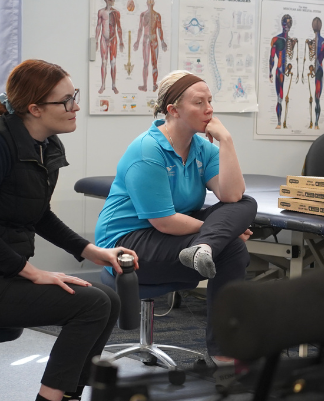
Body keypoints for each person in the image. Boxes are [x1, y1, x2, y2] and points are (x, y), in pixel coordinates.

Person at [0, 59, 138, 401]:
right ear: (35, 108)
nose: (76, 106)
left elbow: (38, 213)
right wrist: (31, 272)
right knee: (91, 304)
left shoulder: (45, 146)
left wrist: (94, 252)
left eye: (75, 96)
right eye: (67, 100)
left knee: (103, 298)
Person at [94, 70, 256, 365]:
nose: (209, 109)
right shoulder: (148, 149)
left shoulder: (202, 148)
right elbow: (164, 221)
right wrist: (225, 232)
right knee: (232, 248)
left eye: (210, 101)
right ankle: (224, 354)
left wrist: (227, 141)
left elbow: (232, 196)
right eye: (199, 102)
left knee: (246, 203)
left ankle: (205, 249)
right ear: (173, 110)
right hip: (127, 244)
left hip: (173, 238)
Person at [135, 0, 168, 92]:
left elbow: (159, 29)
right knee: (145, 63)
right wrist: (137, 41)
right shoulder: (143, 15)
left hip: (154, 40)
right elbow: (140, 29)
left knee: (154, 63)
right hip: (146, 40)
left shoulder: (157, 15)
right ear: (147, 4)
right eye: (149, 4)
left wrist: (162, 41)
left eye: (151, 4)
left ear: (153, 4)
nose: (150, 5)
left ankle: (154, 85)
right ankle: (145, 85)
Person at [95, 0, 124, 95]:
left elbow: (119, 27)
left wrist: (121, 41)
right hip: (103, 38)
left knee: (113, 63)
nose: (113, 1)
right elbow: (98, 26)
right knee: (103, 62)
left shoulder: (116, 13)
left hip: (113, 39)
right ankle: (103, 85)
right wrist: (96, 40)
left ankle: (113, 85)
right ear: (106, 0)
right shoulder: (101, 12)